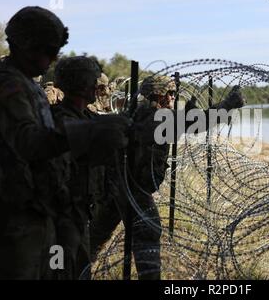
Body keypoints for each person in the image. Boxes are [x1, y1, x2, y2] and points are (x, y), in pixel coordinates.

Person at [0, 6, 129, 280]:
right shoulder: (6, 85)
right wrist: (89, 131)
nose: (49, 59)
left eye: (54, 51)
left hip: (35, 211)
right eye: (45, 50)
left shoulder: (25, 85)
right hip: (9, 220)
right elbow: (28, 142)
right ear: (22, 44)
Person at [90, 75, 245, 280]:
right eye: (168, 93)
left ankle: (73, 269)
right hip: (131, 188)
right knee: (148, 231)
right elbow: (197, 122)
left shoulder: (143, 112)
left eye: (173, 93)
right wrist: (227, 105)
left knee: (96, 234)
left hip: (117, 184)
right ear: (156, 95)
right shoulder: (153, 117)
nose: (172, 97)